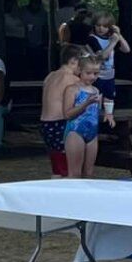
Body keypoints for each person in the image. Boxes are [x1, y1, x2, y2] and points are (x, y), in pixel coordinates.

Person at [59, 54, 113, 177]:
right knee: (75, 173)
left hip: (92, 132)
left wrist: (107, 113)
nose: (92, 77)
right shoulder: (72, 89)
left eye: (96, 73)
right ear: (79, 71)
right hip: (75, 131)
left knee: (89, 173)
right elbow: (67, 114)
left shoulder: (95, 90)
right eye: (88, 73)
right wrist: (86, 103)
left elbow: (94, 112)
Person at [39, 44, 86, 174]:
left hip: (45, 124)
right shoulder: (72, 79)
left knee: (57, 164)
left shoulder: (50, 76)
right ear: (74, 61)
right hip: (60, 123)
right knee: (68, 165)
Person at [88, 13, 131, 100]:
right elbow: (103, 56)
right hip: (97, 76)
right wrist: (113, 43)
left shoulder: (111, 38)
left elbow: (126, 49)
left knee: (109, 99)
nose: (101, 28)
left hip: (110, 75)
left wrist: (119, 35)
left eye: (105, 26)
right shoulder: (92, 39)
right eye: (98, 25)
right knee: (97, 98)